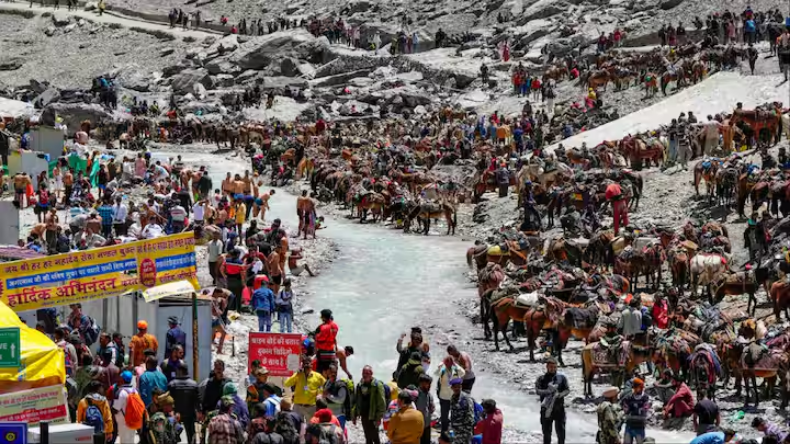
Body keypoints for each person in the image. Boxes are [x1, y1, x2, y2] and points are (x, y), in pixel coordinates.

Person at [535, 358, 569, 444]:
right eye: (551, 367)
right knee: (546, 434)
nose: (553, 369)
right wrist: (548, 392)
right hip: (546, 410)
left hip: (559, 409)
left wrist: (559, 395)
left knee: (561, 433)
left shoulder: (562, 378)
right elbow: (538, 391)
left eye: (555, 367)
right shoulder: (541, 379)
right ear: (547, 367)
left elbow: (567, 390)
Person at [352, 365, 387, 444]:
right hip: (364, 415)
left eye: (367, 373)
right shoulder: (360, 385)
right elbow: (356, 400)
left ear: (371, 374)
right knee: (367, 437)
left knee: (375, 437)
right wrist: (354, 414)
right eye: (363, 373)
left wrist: (379, 418)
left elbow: (382, 403)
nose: (365, 375)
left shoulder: (377, 385)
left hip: (373, 416)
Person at [168, 362, 199, 444]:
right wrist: (199, 412)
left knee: (172, 436)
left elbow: (169, 401)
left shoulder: (172, 384)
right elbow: (197, 401)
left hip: (175, 414)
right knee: (191, 437)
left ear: (179, 371)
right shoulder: (194, 384)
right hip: (190, 415)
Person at [435, 355, 465, 433]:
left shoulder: (455, 369)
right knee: (444, 416)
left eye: (451, 362)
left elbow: (463, 373)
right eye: (447, 362)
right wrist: (439, 367)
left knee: (455, 415)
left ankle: (454, 431)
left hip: (454, 396)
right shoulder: (443, 370)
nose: (449, 364)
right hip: (444, 396)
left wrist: (456, 365)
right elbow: (436, 373)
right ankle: (444, 432)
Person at [621, 378, 650, 444]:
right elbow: (625, 408)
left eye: (637, 387)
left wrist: (636, 411)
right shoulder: (629, 397)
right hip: (629, 425)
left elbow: (645, 409)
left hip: (639, 426)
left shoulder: (645, 398)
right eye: (634, 387)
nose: (635, 389)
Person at [322, 364, 349, 430]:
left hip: (339, 415)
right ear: (327, 373)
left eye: (334, 372)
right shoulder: (327, 383)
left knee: (339, 435)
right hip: (329, 415)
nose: (332, 374)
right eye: (330, 372)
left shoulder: (341, 384)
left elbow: (341, 400)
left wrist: (328, 395)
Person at [449, 378, 475, 444]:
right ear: (452, 388)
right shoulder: (453, 397)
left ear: (461, 386)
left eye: (458, 387)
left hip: (465, 432)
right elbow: (453, 413)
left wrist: (466, 432)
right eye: (455, 387)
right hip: (456, 431)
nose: (457, 389)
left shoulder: (466, 399)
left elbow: (470, 418)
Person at [414, 374, 435, 444]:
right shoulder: (415, 395)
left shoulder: (429, 395)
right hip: (418, 425)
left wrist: (432, 408)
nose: (429, 386)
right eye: (427, 384)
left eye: (429, 384)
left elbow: (431, 408)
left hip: (427, 424)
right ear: (421, 383)